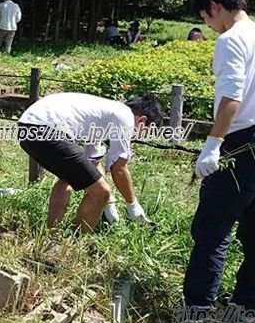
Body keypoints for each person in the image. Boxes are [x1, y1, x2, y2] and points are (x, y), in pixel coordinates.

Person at [181, 0, 255, 323]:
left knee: (212, 228)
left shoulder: (231, 40)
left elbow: (231, 100)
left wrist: (213, 144)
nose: (209, 27)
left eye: (205, 18)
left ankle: (198, 315)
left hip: (241, 143)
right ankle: (247, 306)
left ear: (214, 7)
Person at [17, 93, 163, 232]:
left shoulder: (105, 114)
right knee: (101, 192)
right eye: (145, 133)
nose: (138, 138)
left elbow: (92, 164)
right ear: (142, 121)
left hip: (26, 128)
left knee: (68, 179)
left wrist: (109, 203)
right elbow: (118, 168)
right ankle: (79, 240)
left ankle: (52, 234)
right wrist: (132, 205)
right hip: (46, 128)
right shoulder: (125, 117)